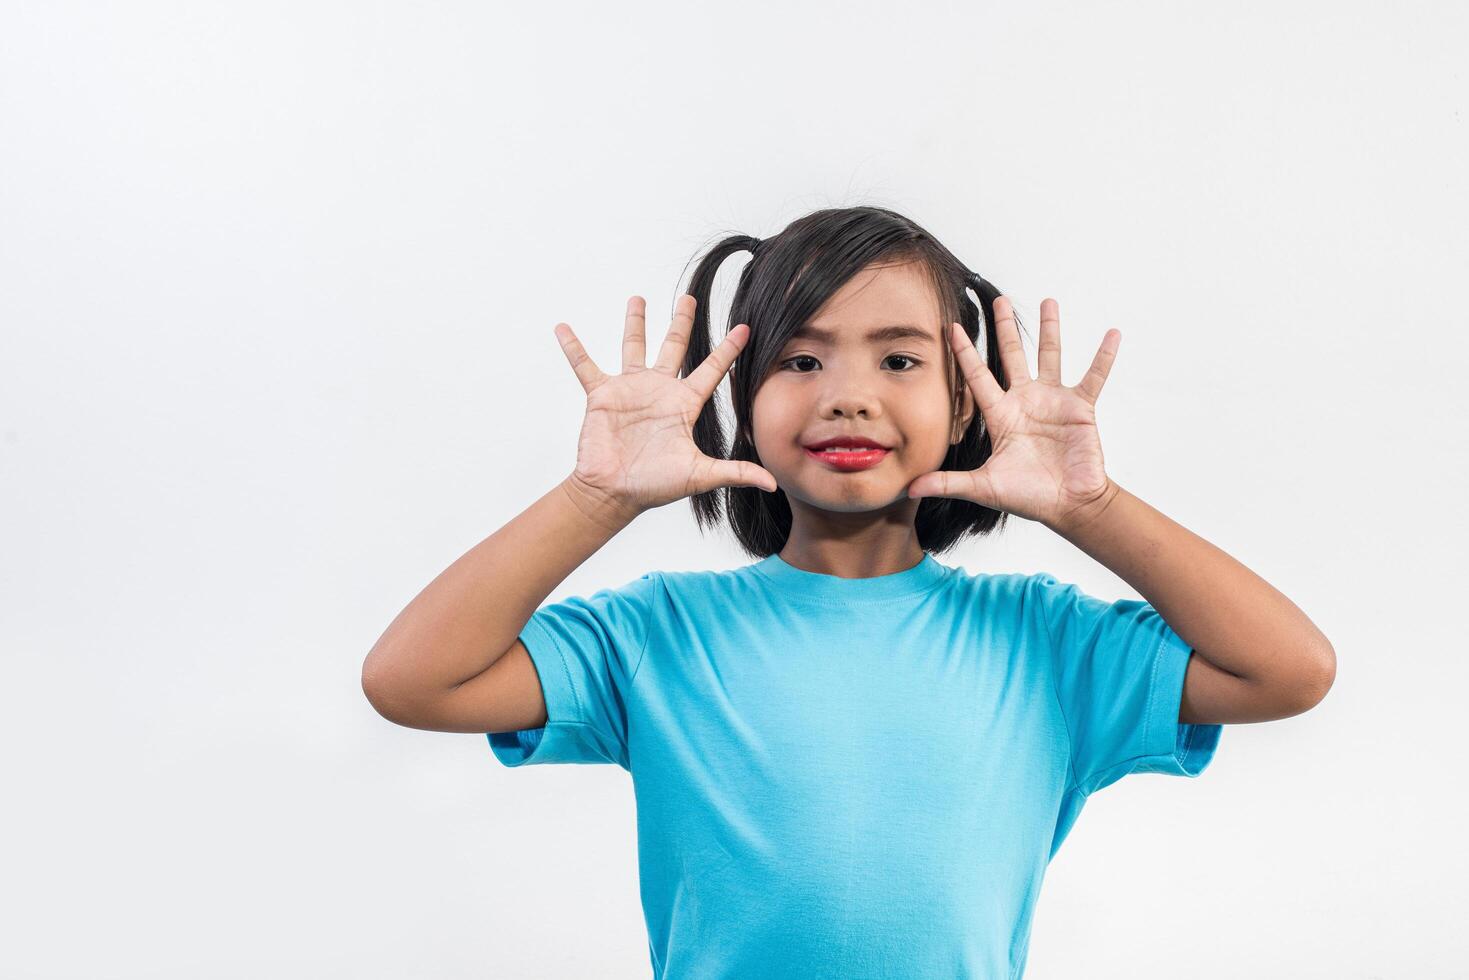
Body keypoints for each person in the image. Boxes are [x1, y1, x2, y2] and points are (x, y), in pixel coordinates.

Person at [361, 205, 1337, 979]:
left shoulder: (1046, 641)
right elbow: (413, 679)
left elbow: (1287, 668)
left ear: (962, 400)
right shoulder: (655, 635)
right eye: (799, 358)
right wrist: (594, 497)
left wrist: (1091, 507)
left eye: (899, 358)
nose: (846, 393)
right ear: (743, 400)